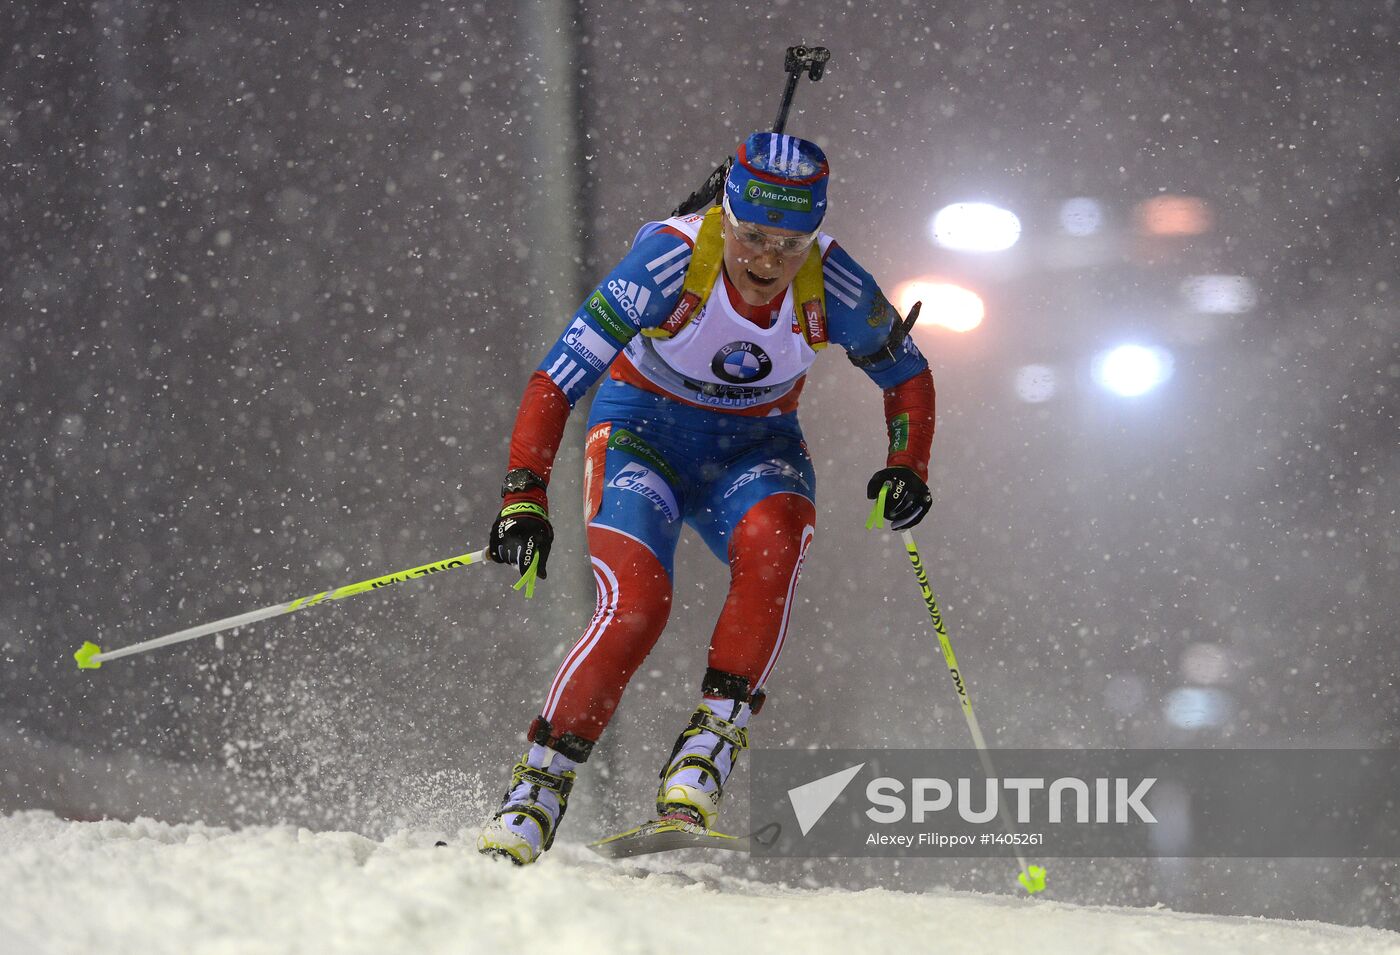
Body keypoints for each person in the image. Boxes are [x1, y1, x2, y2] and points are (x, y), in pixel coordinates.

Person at [477, 132, 935, 864]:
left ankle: (706, 748)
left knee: (777, 536)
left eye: (789, 244)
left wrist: (907, 464)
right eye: (751, 236)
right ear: (727, 215)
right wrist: (523, 496)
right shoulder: (668, 261)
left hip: (754, 451)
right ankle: (537, 789)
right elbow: (555, 380)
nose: (766, 262)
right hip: (642, 436)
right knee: (636, 606)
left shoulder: (833, 281)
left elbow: (907, 375)